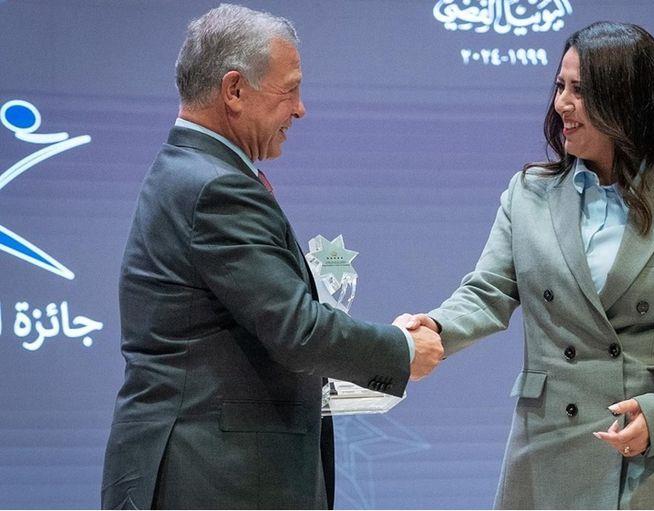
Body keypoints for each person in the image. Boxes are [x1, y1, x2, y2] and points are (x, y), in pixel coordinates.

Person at [399, 21, 654, 509]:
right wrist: (436, 327)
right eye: (560, 86)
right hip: (550, 451)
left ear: (629, 102)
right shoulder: (527, 194)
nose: (561, 104)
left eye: (581, 91)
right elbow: (487, 292)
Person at [100, 4, 443, 509]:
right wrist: (403, 350)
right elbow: (298, 332)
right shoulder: (215, 188)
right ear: (235, 90)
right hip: (211, 480)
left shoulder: (190, 171)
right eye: (290, 90)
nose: (301, 109)